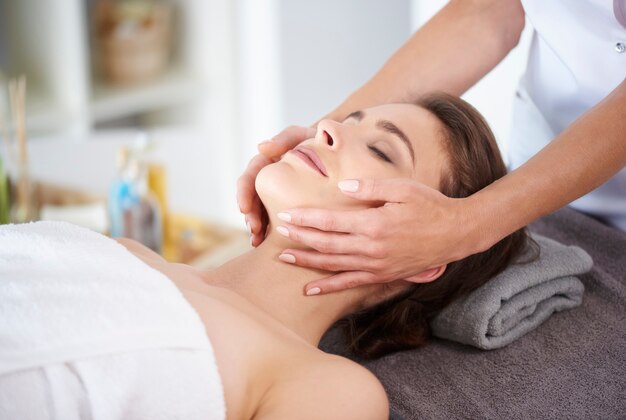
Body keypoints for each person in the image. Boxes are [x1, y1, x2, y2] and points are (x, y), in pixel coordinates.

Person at [1, 94, 529, 419]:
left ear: (426, 253)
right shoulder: (128, 252)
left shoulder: (330, 388)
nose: (328, 126)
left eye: (381, 150)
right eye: (349, 118)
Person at [238, 0, 626, 296]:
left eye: (382, 152)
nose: (325, 129)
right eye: (344, 125)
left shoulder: (345, 394)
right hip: (543, 159)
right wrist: (325, 129)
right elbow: (487, 10)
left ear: (423, 265)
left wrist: (468, 224)